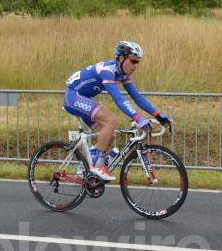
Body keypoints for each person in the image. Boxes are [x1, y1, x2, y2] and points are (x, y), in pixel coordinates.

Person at [63, 40, 172, 181]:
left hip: (84, 98)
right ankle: (96, 166)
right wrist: (138, 118)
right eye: (133, 61)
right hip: (73, 97)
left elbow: (137, 97)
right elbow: (119, 99)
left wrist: (158, 115)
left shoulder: (123, 75)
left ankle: (84, 169)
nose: (135, 66)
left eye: (137, 62)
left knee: (109, 134)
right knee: (111, 120)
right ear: (121, 59)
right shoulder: (107, 71)